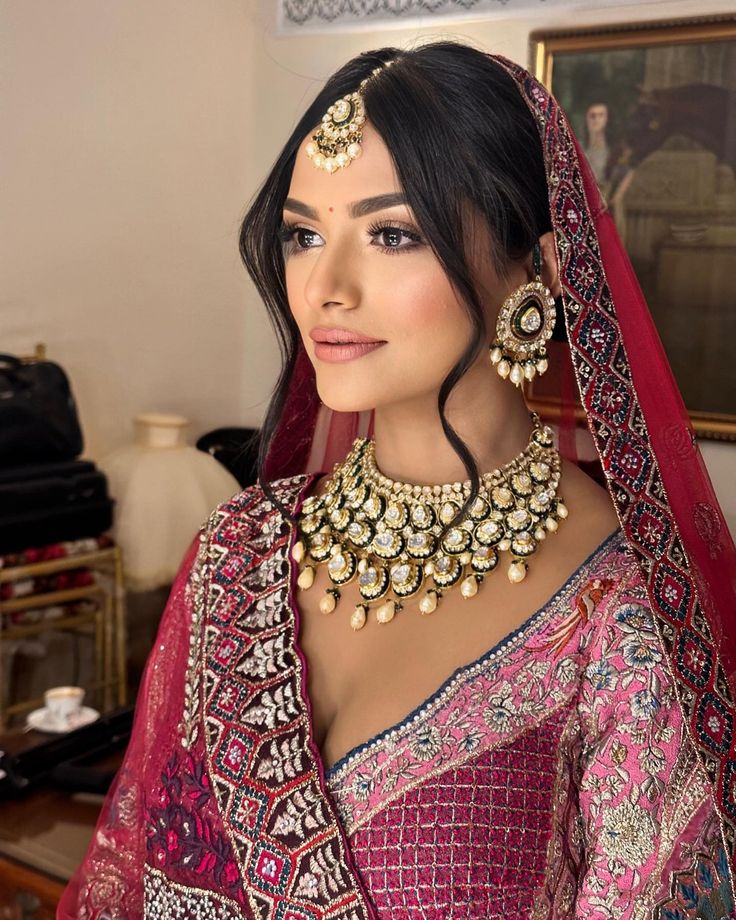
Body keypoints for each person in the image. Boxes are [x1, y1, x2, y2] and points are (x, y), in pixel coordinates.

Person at [58, 41, 736, 919]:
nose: (324, 289)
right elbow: (126, 883)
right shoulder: (238, 551)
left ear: (541, 267)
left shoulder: (625, 624)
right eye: (304, 235)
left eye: (391, 233)